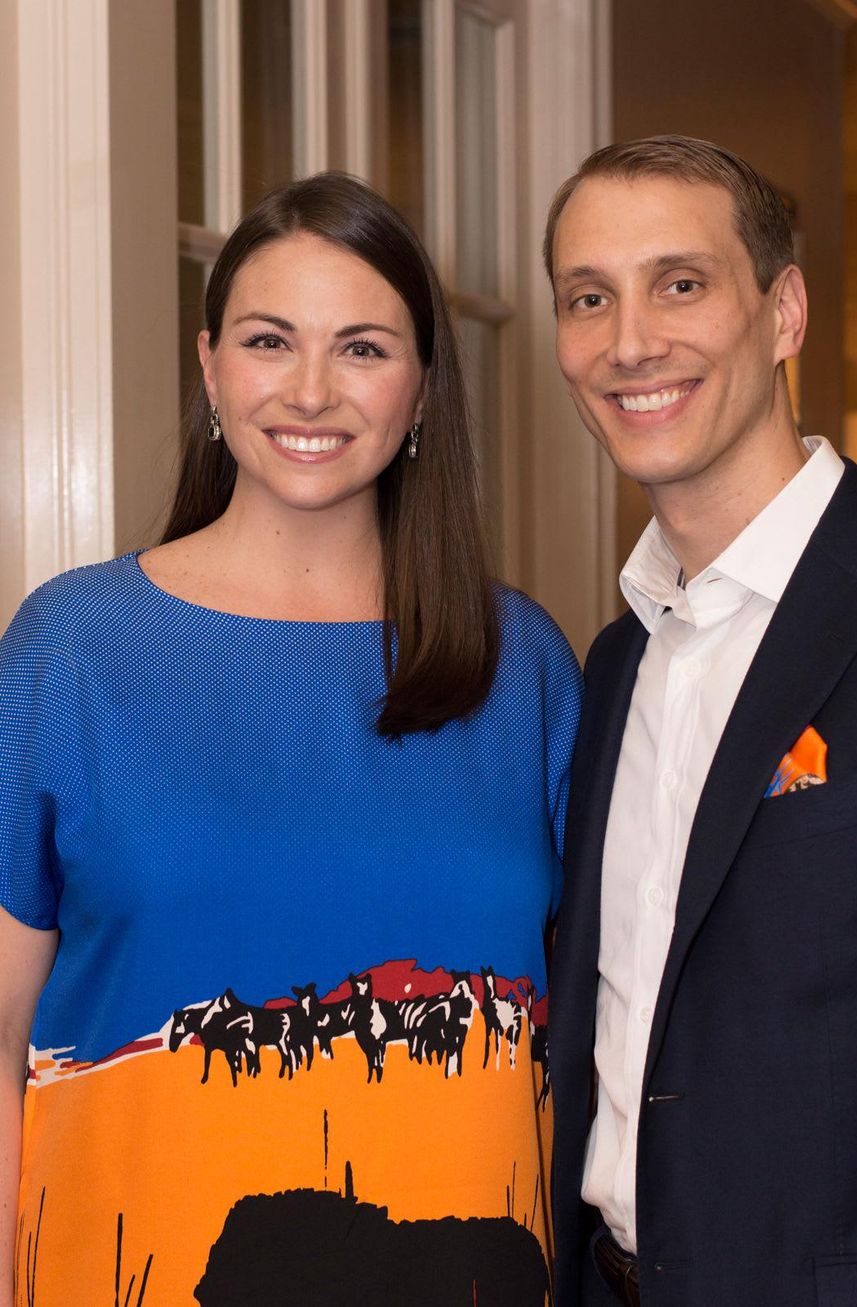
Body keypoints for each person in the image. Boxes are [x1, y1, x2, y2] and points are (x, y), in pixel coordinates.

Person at [0, 172, 581, 1305]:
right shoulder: (72, 649)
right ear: (211, 364)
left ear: (420, 389)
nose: (311, 389)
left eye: (362, 347)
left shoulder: (524, 662)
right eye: (272, 340)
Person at [543, 135, 857, 1306]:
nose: (629, 339)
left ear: (781, 311)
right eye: (589, 297)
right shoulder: (615, 658)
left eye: (678, 283)